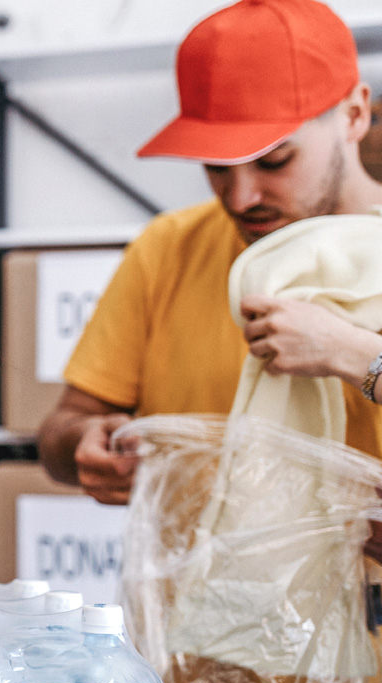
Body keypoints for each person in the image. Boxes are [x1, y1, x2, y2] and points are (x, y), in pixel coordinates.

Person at [38, 0, 382, 567]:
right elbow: (61, 430)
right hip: (198, 641)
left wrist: (354, 354)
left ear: (353, 115)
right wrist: (86, 446)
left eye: (275, 162)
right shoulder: (168, 249)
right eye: (217, 167)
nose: (241, 198)